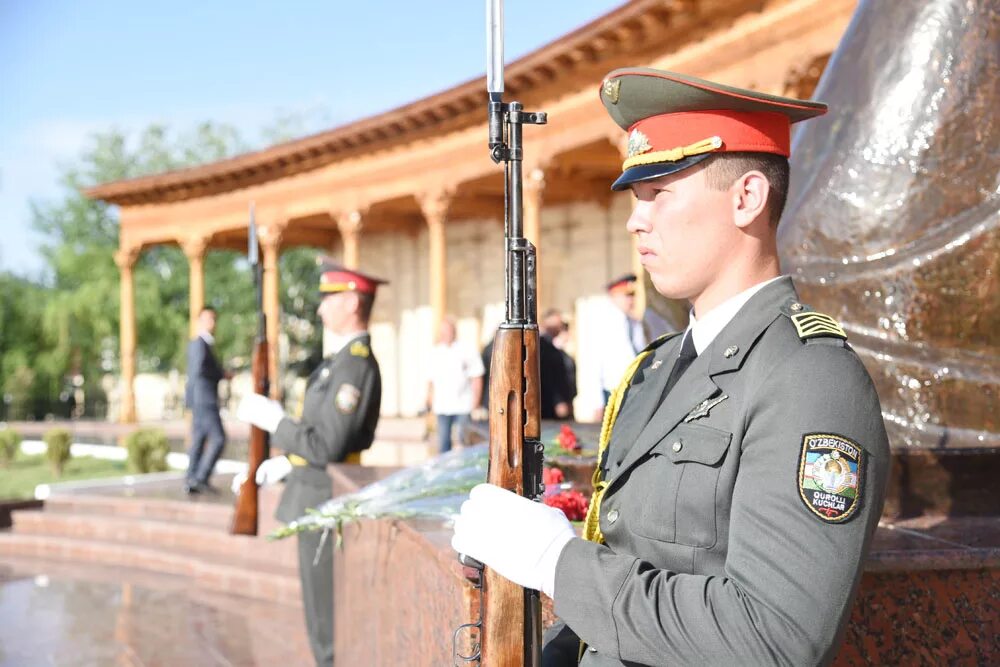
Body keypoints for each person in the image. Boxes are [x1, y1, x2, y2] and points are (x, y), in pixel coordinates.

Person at [452, 68, 890, 666]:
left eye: (660, 194)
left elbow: (774, 638)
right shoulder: (652, 372)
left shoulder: (810, 380)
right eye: (636, 199)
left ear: (747, 198)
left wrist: (557, 562)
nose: (636, 220)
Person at [236, 261, 385, 667]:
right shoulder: (337, 364)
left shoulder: (355, 366)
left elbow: (329, 445)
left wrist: (275, 422)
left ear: (352, 301)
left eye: (328, 300)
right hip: (314, 494)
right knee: (319, 619)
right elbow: (319, 437)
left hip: (325, 502)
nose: (320, 310)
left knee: (327, 627)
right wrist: (290, 463)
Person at [587, 273, 647, 421]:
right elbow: (593, 364)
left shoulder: (634, 323)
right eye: (627, 295)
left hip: (636, 389)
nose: (632, 300)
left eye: (633, 295)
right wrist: (597, 403)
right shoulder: (602, 322)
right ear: (614, 296)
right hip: (613, 392)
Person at [184, 307, 229, 494]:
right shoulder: (199, 344)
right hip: (205, 400)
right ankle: (200, 477)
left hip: (201, 400)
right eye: (207, 319)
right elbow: (198, 373)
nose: (212, 323)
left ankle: (192, 479)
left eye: (213, 319)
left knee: (200, 438)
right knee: (218, 438)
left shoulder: (204, 344)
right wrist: (221, 373)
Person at [425, 316, 484, 453]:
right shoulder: (435, 352)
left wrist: (476, 402)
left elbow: (477, 376)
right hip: (442, 406)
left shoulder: (466, 350)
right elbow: (430, 380)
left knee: (463, 442)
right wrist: (428, 400)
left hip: (463, 405)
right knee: (444, 443)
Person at [540, 308, 576, 420]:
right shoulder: (543, 346)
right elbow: (549, 376)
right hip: (550, 405)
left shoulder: (553, 347)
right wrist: (559, 400)